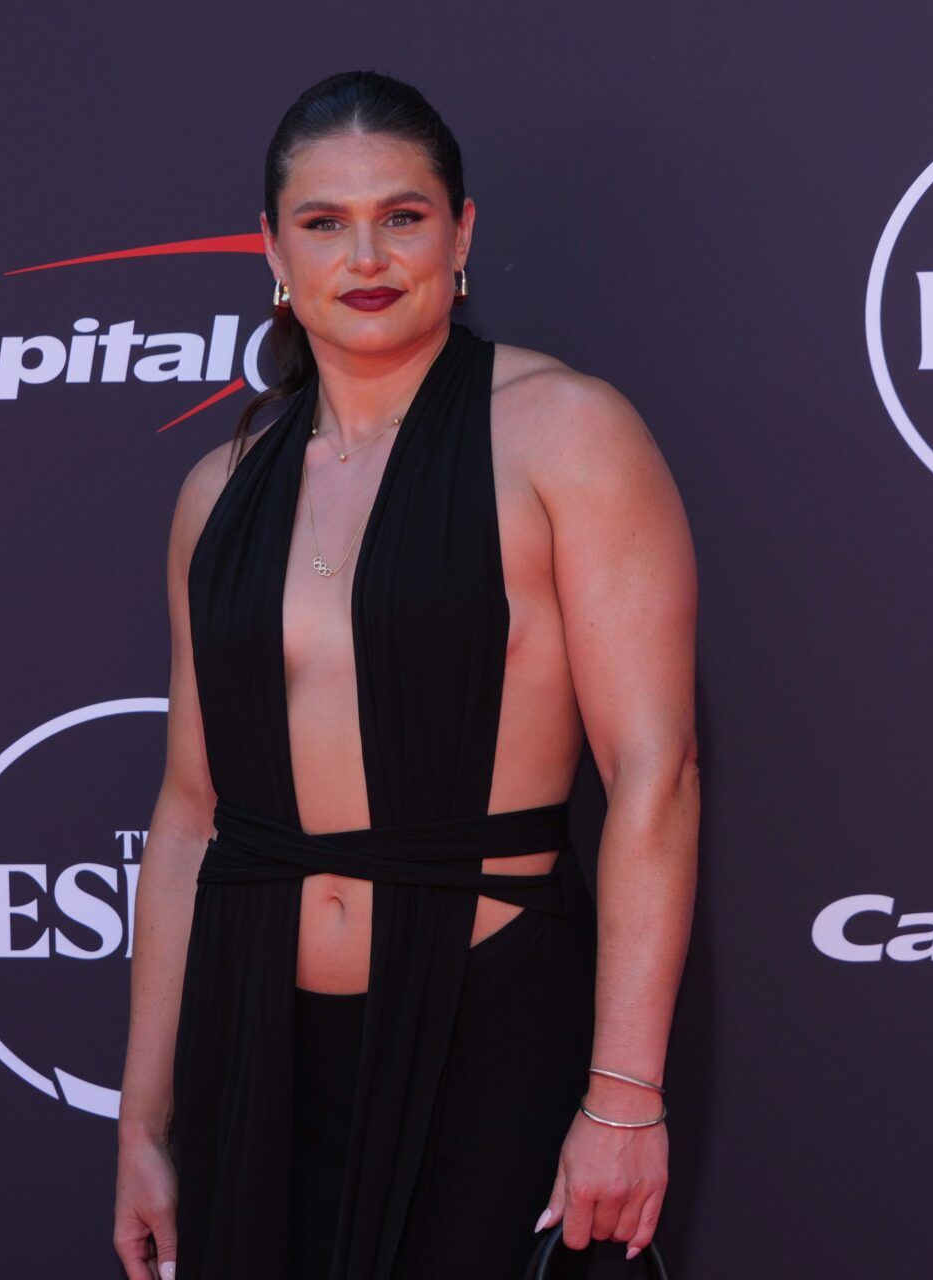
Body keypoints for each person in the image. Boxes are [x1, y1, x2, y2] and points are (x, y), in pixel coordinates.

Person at [113, 69, 699, 1280]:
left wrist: (625, 1095)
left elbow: (654, 773)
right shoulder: (219, 492)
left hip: (485, 1028)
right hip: (251, 1038)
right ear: (273, 246)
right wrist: (143, 1115)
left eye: (405, 214)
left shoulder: (566, 431)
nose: (366, 253)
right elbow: (188, 812)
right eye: (324, 221)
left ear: (462, 230)